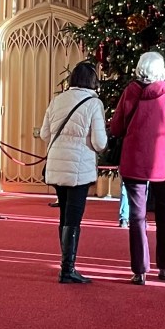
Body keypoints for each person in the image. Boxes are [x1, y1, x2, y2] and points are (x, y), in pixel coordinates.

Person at [110, 51, 165, 285]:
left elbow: (116, 128)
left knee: (137, 217)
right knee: (164, 217)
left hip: (133, 162)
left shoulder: (130, 91)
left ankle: (139, 270)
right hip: (162, 165)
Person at [40, 61, 107, 283]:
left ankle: (65, 263)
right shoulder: (94, 103)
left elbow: (44, 134)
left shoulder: (58, 99)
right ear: (92, 80)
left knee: (64, 216)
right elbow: (99, 142)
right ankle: (67, 269)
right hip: (79, 167)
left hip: (58, 165)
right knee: (74, 218)